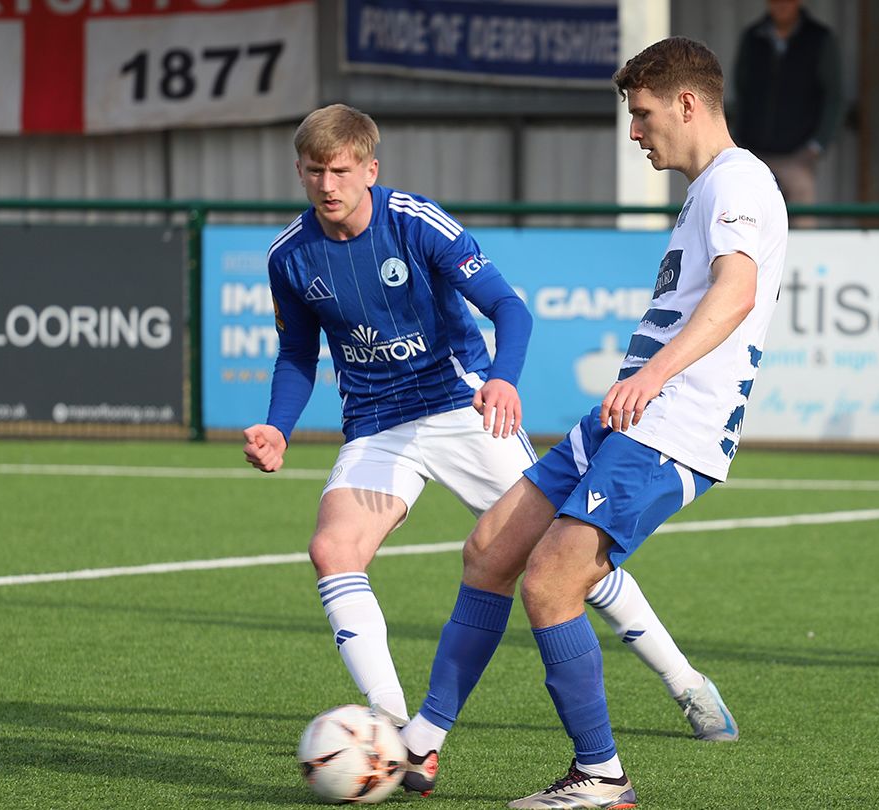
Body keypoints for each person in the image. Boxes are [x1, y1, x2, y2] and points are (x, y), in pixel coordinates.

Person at [243, 104, 731, 736]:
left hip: (464, 411)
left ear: (371, 168)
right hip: (377, 425)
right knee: (332, 549)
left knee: (565, 558)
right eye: (314, 172)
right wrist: (279, 425)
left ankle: (685, 683)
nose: (327, 185)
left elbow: (509, 307)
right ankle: (388, 722)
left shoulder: (416, 224)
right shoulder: (290, 255)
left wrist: (501, 378)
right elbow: (296, 354)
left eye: (340, 170)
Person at [398, 38, 788, 807]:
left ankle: (601, 776)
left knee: (551, 582)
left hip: (670, 429)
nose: (635, 132)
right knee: (488, 552)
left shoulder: (741, 182)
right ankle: (420, 743)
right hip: (625, 419)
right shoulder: (707, 188)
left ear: (687, 103)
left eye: (642, 115)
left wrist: (652, 374)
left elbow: (737, 292)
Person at [732, 0, 843, 224]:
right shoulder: (753, 37)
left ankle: (803, 259)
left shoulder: (819, 38)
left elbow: (834, 96)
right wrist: (737, 138)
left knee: (802, 214)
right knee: (743, 213)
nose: (781, 5)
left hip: (797, 154)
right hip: (753, 149)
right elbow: (740, 89)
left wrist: (817, 144)